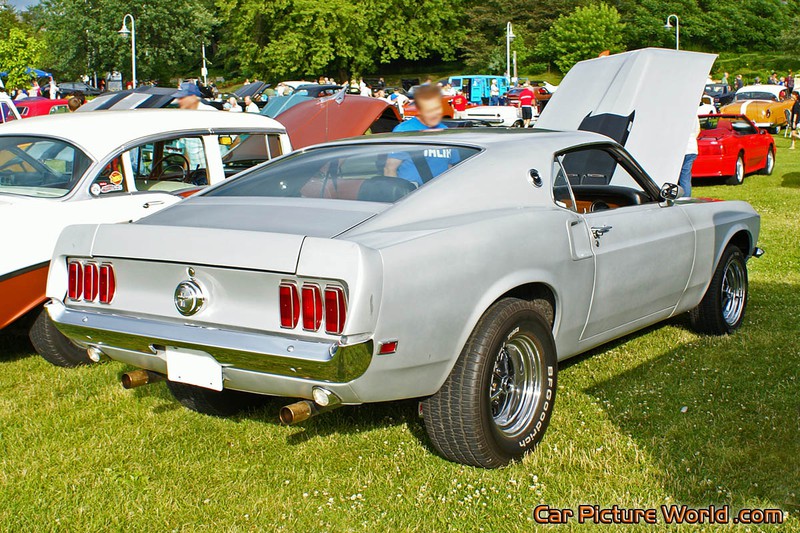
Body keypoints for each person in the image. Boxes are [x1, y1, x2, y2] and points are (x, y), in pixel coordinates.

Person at [384, 84, 457, 185]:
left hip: (440, 194)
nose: (434, 114)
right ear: (419, 109)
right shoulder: (404, 131)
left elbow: (450, 167)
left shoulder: (446, 131)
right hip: (412, 194)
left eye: (437, 109)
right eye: (429, 110)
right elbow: (390, 169)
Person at [678, 116, 700, 196]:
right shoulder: (694, 115)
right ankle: (686, 198)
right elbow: (697, 129)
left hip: (681, 148)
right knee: (685, 177)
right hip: (692, 148)